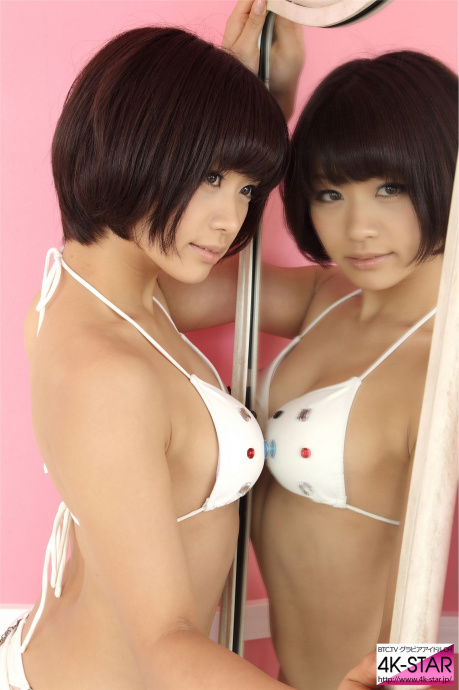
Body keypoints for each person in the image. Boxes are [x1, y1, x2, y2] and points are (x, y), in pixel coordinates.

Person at [0, 18, 378, 690]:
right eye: (210, 176)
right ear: (138, 142)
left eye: (248, 189)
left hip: (396, 661)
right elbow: (163, 645)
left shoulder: (100, 295)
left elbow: (418, 642)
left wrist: (251, 101)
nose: (231, 221)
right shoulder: (105, 362)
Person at [158, 5, 458, 689]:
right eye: (329, 193)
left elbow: (427, 596)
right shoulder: (327, 299)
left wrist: (415, 682)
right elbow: (156, 286)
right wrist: (261, 104)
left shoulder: (443, 366)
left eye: (389, 188)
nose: (358, 227)